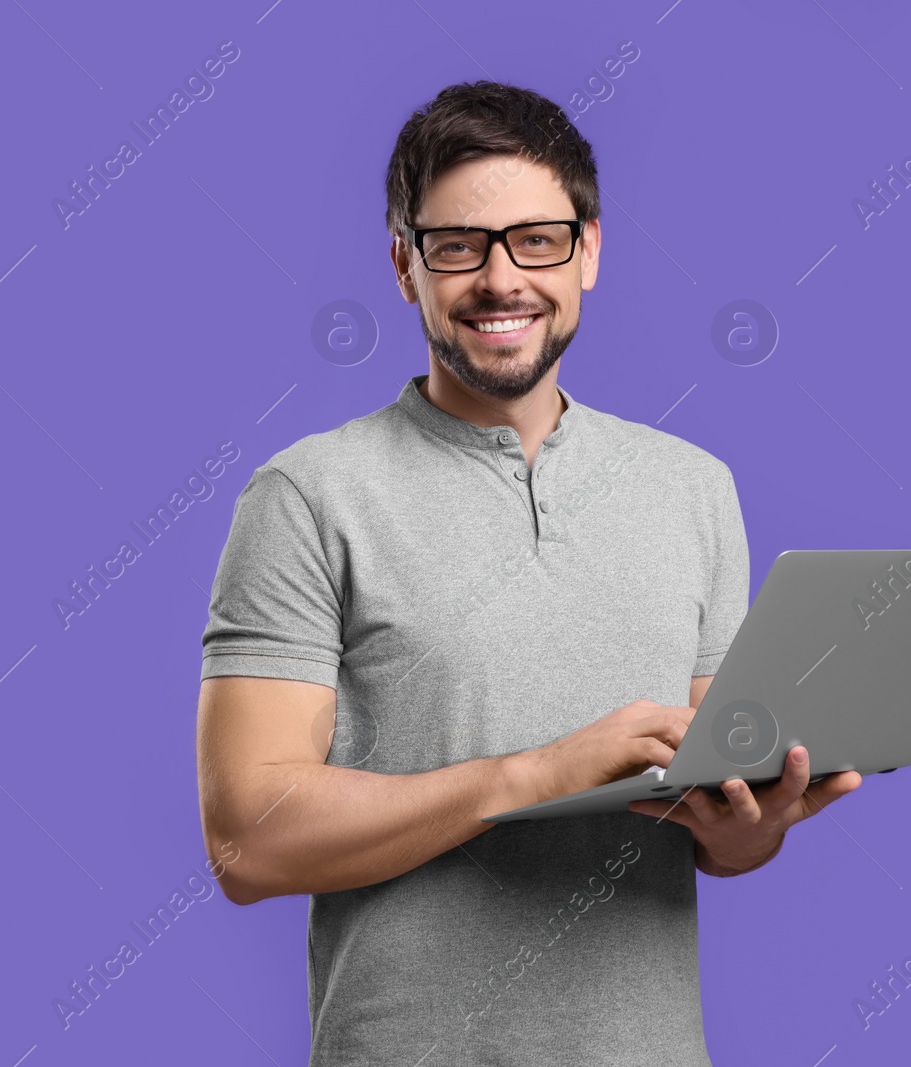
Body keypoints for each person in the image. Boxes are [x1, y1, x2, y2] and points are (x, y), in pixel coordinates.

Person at [194, 79, 861, 1066]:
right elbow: (248, 840)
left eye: (537, 239)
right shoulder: (307, 494)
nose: (501, 278)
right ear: (402, 265)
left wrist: (753, 826)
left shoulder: (692, 488)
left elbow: (719, 825)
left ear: (589, 249)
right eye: (457, 245)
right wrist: (534, 774)